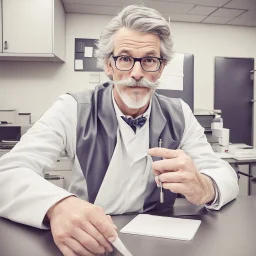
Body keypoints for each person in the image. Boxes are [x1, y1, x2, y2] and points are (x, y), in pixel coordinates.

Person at [0, 5, 238, 256]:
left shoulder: (180, 113)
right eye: (124, 58)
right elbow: (8, 172)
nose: (136, 73)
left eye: (149, 60)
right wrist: (57, 206)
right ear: (108, 65)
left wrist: (206, 187)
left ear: (161, 68)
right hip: (88, 237)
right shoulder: (73, 108)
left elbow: (223, 172)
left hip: (159, 242)